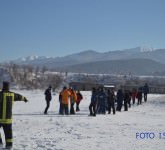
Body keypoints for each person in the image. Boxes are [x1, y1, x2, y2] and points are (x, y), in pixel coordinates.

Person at [0, 81, 28, 149]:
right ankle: (9, 145)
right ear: (8, 87)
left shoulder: (0, 94)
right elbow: (19, 96)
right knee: (8, 133)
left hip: (0, 119)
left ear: (3, 86)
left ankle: (0, 143)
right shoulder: (12, 94)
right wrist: (24, 99)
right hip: (8, 119)